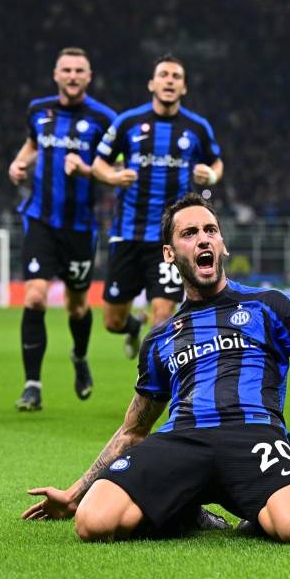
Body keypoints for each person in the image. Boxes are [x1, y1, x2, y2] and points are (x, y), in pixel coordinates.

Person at [21, 193, 290, 543]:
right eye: (189, 233)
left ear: (222, 245)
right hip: (183, 440)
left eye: (210, 231)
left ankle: (247, 512)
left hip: (254, 434)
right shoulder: (161, 337)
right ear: (170, 253)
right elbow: (135, 428)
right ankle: (187, 511)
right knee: (93, 522)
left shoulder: (269, 304)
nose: (203, 239)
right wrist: (76, 493)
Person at [91, 54, 224, 359]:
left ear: (184, 87)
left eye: (176, 76)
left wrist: (212, 174)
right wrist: (113, 175)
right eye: (163, 75)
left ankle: (150, 386)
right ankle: (132, 327)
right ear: (152, 83)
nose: (169, 80)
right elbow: (99, 164)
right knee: (112, 321)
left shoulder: (197, 127)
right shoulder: (128, 122)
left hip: (170, 238)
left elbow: (216, 161)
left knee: (163, 314)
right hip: (127, 234)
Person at [7, 47, 117, 412]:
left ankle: (80, 356)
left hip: (80, 227)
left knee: (77, 306)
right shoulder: (39, 110)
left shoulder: (104, 119)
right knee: (35, 296)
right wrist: (19, 163)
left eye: (79, 70)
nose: (72, 76)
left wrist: (88, 169)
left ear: (89, 76)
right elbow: (33, 145)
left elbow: (116, 166)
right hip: (40, 219)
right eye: (66, 70)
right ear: (56, 74)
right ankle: (32, 386)